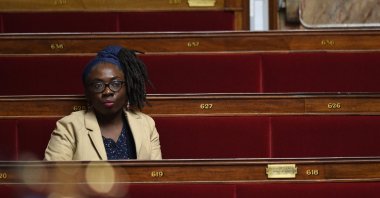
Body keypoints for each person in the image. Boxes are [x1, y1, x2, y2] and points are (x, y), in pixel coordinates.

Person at [44, 45, 162, 160]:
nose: (107, 91)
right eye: (97, 85)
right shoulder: (69, 127)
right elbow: (53, 177)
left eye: (115, 84)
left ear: (127, 88)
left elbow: (155, 176)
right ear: (88, 93)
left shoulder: (147, 125)